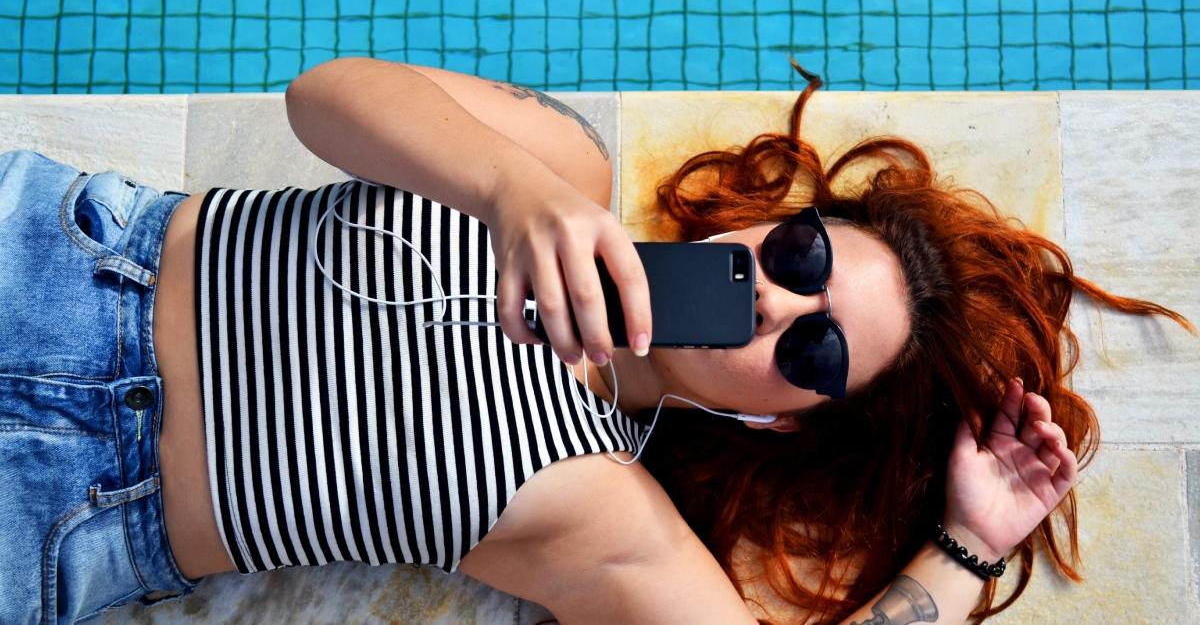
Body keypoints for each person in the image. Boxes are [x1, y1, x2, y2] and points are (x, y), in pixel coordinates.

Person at [0, 57, 1191, 624]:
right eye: (806, 258)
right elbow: (326, 98)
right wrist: (514, 192)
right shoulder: (561, 166)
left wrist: (965, 546)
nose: (780, 303)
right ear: (779, 219)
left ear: (783, 415)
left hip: (67, 506)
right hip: (62, 257)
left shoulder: (610, 513)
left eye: (817, 354)